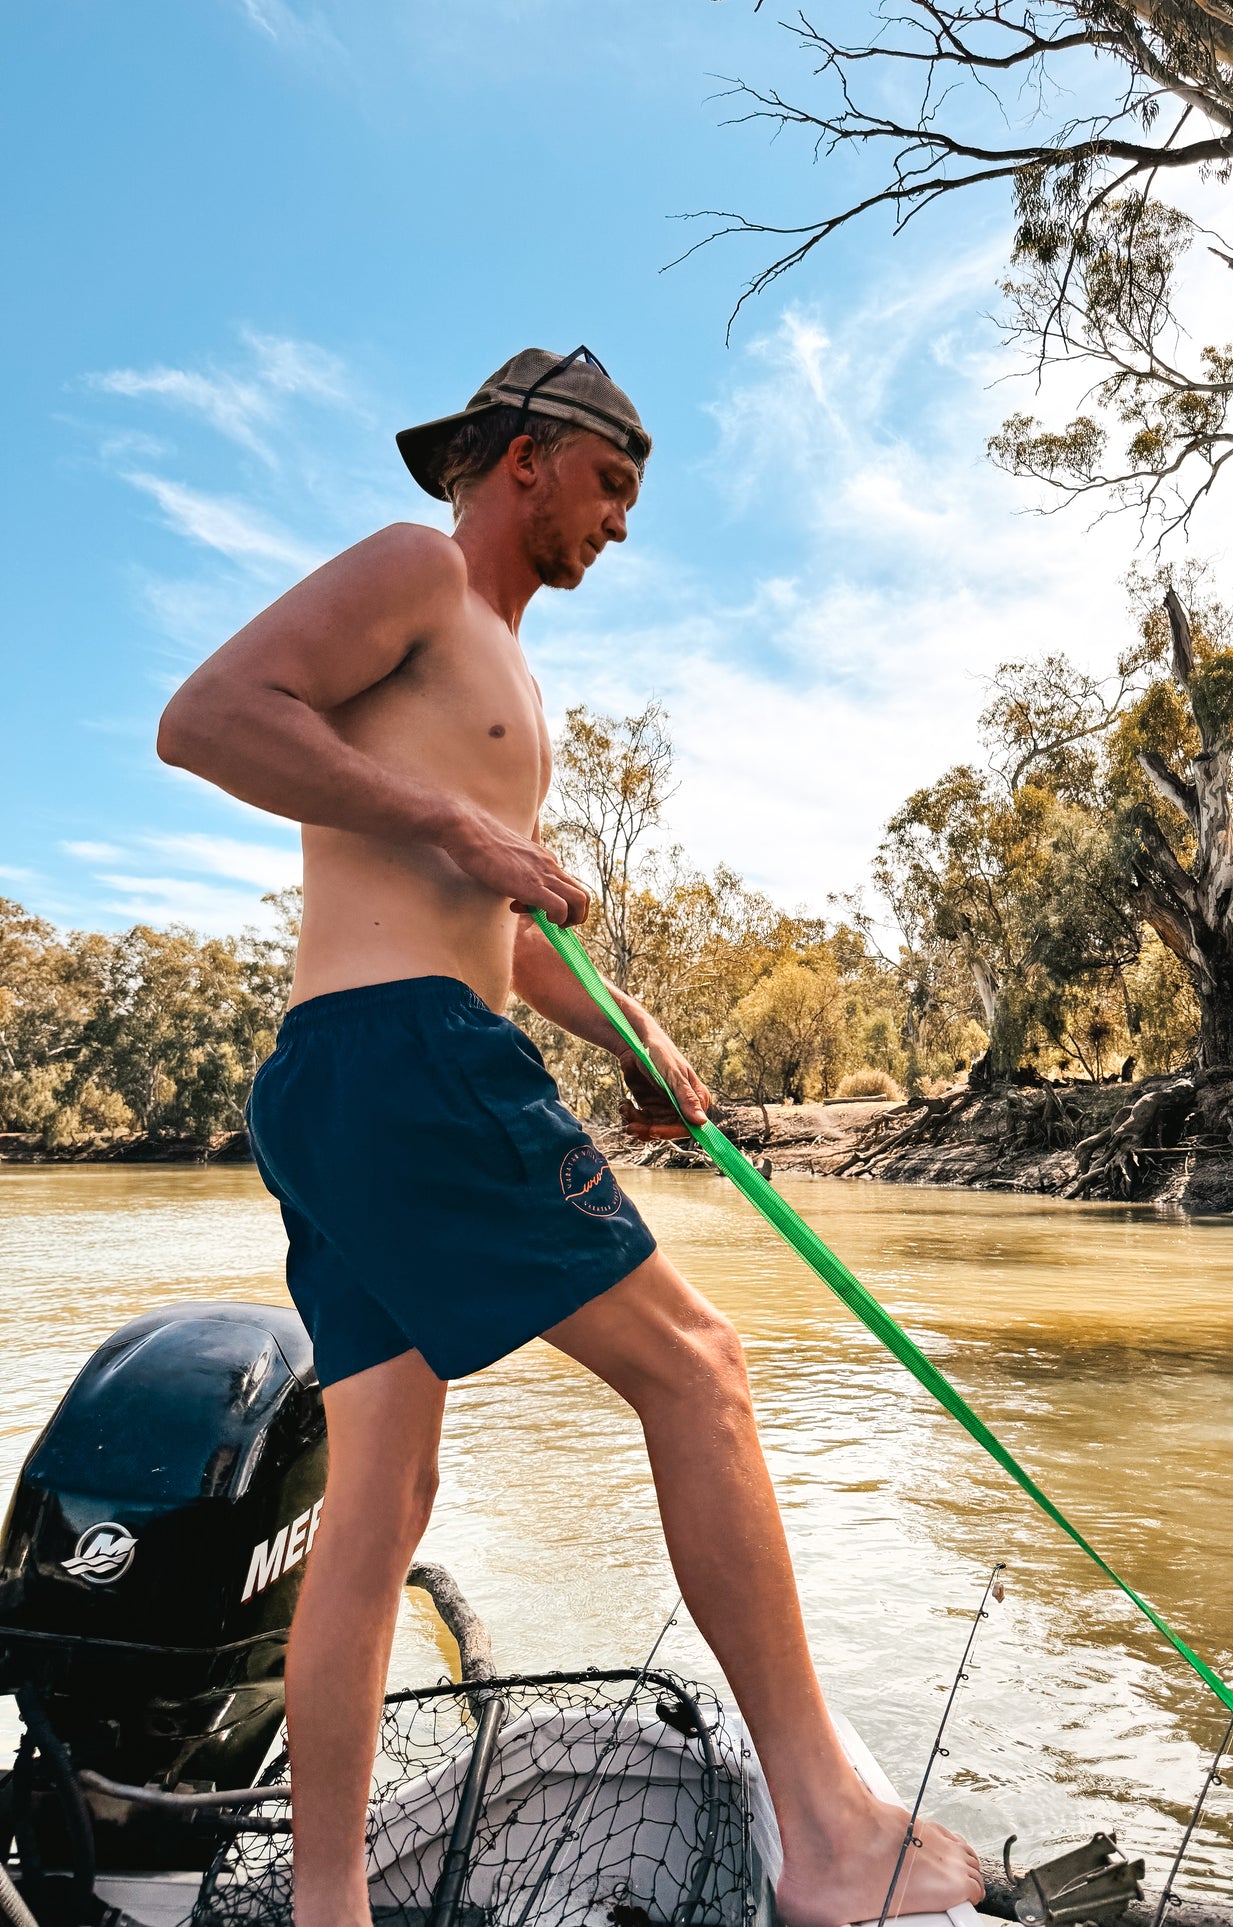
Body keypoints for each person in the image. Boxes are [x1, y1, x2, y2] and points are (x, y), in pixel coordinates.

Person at [156, 346, 984, 1927]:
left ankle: (326, 1910)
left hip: (344, 1079)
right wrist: (461, 826)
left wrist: (640, 1035)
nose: (619, 522)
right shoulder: (415, 572)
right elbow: (206, 719)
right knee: (703, 1370)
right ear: (525, 456)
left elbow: (498, 921)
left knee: (379, 1504)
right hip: (406, 1059)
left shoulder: (501, 674)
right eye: (612, 483)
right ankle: (825, 1829)